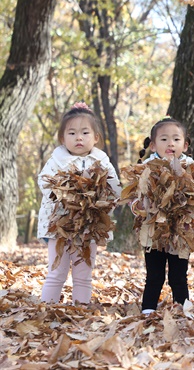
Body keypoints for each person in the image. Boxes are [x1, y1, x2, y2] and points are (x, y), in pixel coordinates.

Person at [38, 102, 121, 304]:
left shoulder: (101, 161)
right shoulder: (56, 160)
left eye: (85, 132)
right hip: (60, 224)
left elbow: (115, 188)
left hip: (88, 226)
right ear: (62, 138)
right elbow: (44, 183)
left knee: (83, 273)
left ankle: (81, 309)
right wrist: (65, 192)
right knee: (56, 272)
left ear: (95, 138)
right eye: (72, 133)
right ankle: (47, 309)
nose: (79, 138)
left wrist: (105, 199)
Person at [132, 117, 194, 314]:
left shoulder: (191, 168)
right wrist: (141, 206)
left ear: (185, 145)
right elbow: (134, 197)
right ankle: (148, 309)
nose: (171, 143)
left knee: (179, 274)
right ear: (152, 145)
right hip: (153, 230)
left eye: (176, 140)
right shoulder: (146, 169)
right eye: (164, 139)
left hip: (180, 230)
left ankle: (182, 307)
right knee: (154, 273)